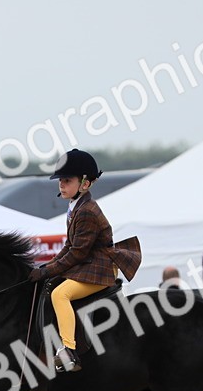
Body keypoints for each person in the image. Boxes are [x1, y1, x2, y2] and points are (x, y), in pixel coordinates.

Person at [29, 149, 141, 372]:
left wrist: (47, 271)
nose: (61, 185)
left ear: (85, 184)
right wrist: (47, 268)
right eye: (60, 180)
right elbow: (68, 247)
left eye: (67, 180)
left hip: (99, 269)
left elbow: (77, 253)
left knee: (60, 294)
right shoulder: (75, 207)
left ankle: (68, 351)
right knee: (51, 285)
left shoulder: (87, 211)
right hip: (88, 265)